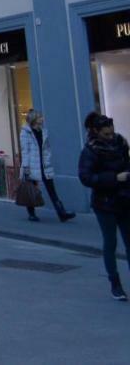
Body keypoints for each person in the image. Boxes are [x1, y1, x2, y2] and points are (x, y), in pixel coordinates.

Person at [78, 112, 130, 300]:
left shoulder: (120, 143)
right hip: (105, 203)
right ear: (96, 131)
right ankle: (115, 284)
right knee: (111, 243)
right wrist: (114, 178)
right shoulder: (90, 151)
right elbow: (86, 177)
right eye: (106, 134)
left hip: (125, 199)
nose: (111, 136)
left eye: (112, 132)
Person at [18, 110, 75, 222]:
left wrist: (47, 159)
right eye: (40, 117)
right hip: (32, 166)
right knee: (31, 190)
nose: (42, 119)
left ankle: (61, 213)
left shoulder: (43, 131)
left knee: (52, 189)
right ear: (34, 119)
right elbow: (25, 151)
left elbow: (47, 148)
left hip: (44, 166)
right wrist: (26, 167)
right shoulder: (25, 132)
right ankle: (31, 214)